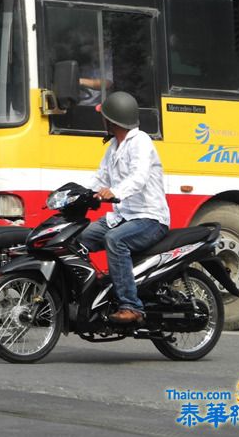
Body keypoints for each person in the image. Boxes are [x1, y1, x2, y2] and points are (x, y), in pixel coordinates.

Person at [79, 91, 170, 324]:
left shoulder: (141, 142)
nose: (103, 120)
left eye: (105, 117)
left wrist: (116, 192)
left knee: (115, 240)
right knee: (76, 240)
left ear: (113, 120)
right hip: (123, 217)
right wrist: (74, 195)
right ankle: (98, 291)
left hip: (149, 218)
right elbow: (100, 178)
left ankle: (131, 306)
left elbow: (138, 177)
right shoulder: (113, 146)